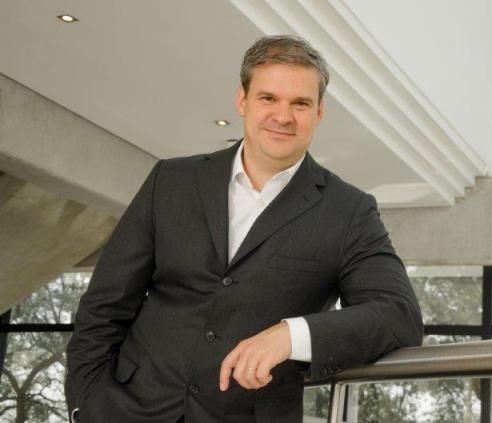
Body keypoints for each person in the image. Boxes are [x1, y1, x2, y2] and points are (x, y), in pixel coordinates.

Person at [65, 34, 423, 423]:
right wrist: (85, 405)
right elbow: (104, 306)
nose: (283, 116)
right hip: (125, 411)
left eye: (300, 103)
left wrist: (290, 335)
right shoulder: (170, 180)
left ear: (319, 112)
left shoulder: (349, 210)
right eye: (268, 98)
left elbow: (398, 315)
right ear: (243, 100)